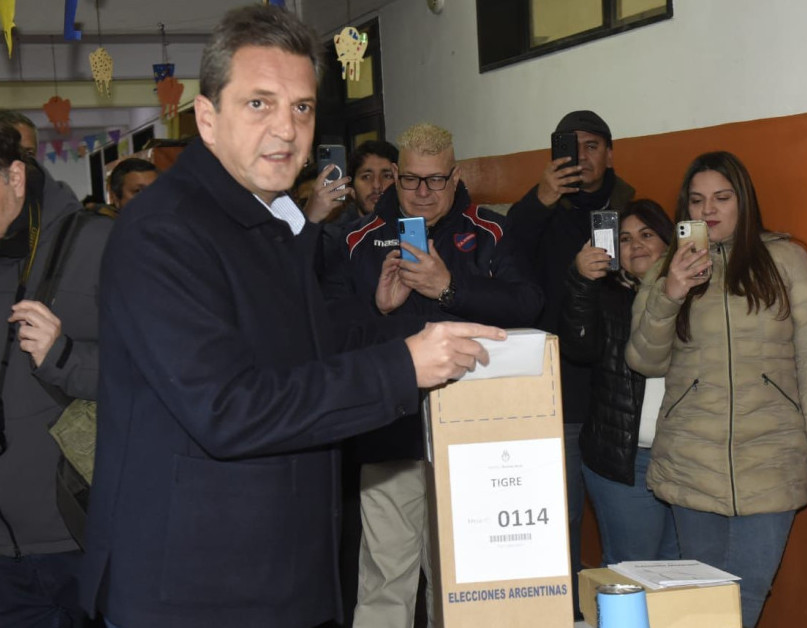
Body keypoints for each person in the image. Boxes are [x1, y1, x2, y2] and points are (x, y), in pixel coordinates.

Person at [77, 7, 503, 627]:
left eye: (301, 107)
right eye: (259, 104)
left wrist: (400, 330)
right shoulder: (164, 233)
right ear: (207, 118)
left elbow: (302, 349)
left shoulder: (266, 218)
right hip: (195, 592)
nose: (285, 129)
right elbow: (227, 407)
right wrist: (400, 366)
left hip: (278, 577)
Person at [333, 122, 541, 628]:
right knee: (386, 579)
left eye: (435, 180)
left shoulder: (491, 230)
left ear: (456, 176)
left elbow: (529, 304)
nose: (422, 193)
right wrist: (381, 310)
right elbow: (331, 333)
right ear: (395, 178)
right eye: (410, 180)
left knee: (462, 578)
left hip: (475, 433)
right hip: (389, 429)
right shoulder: (357, 239)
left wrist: (450, 288)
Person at [625, 151, 807, 628]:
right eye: (698, 200)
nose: (709, 210)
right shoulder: (665, 270)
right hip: (691, 457)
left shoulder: (786, 260)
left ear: (743, 202)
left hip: (772, 455)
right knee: (704, 600)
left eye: (722, 198)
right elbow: (643, 359)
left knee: (748, 592)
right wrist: (671, 293)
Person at [504, 110, 635, 615]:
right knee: (561, 516)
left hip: (621, 386)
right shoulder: (542, 211)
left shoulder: (631, 207)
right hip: (560, 389)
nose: (582, 156)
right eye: (571, 146)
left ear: (610, 153)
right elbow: (507, 251)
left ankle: (616, 613)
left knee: (621, 519)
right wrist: (541, 199)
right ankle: (562, 612)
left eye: (593, 146)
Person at [0, 122, 111, 626]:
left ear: (15, 176)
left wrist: (65, 356)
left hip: (81, 535)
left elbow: (167, 373)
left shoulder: (99, 245)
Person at [558, 199, 679, 566]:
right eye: (624, 239)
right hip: (624, 459)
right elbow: (577, 347)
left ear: (668, 241)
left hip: (688, 460)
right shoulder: (605, 295)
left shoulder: (696, 295)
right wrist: (580, 281)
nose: (636, 245)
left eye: (646, 234)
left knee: (682, 572)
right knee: (634, 571)